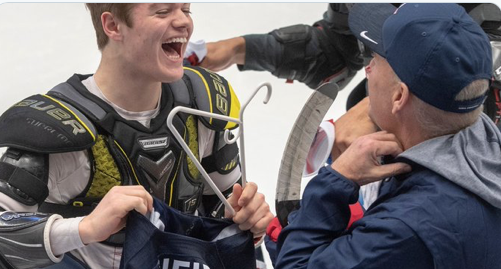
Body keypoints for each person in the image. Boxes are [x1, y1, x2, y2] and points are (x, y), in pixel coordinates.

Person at [0, 3, 273, 269]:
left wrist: (244, 219)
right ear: (112, 25)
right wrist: (85, 228)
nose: (184, 22)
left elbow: (226, 204)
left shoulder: (201, 105)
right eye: (163, 11)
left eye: (186, 10)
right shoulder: (57, 127)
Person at [274, 3, 501, 268]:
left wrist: (335, 183)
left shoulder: (404, 228)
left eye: (377, 59)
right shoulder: (483, 144)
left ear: (399, 97)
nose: (367, 69)